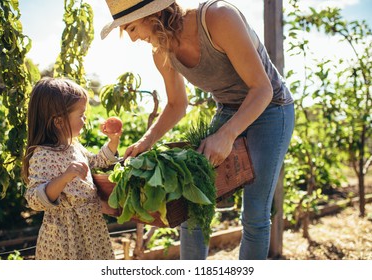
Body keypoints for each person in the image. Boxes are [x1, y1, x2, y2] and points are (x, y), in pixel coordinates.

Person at [100, 0, 295, 260]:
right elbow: (177, 104)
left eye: (133, 28)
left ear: (153, 13)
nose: (134, 39)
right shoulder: (161, 51)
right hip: (227, 110)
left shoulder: (218, 18)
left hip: (271, 109)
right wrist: (146, 140)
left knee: (255, 214)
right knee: (190, 205)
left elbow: (262, 89)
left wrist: (226, 135)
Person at [22, 77, 120, 260]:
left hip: (91, 229)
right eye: (81, 115)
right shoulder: (43, 155)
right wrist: (65, 177)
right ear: (59, 121)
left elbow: (97, 162)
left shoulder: (74, 146)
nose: (85, 120)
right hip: (65, 235)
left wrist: (113, 142)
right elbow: (34, 199)